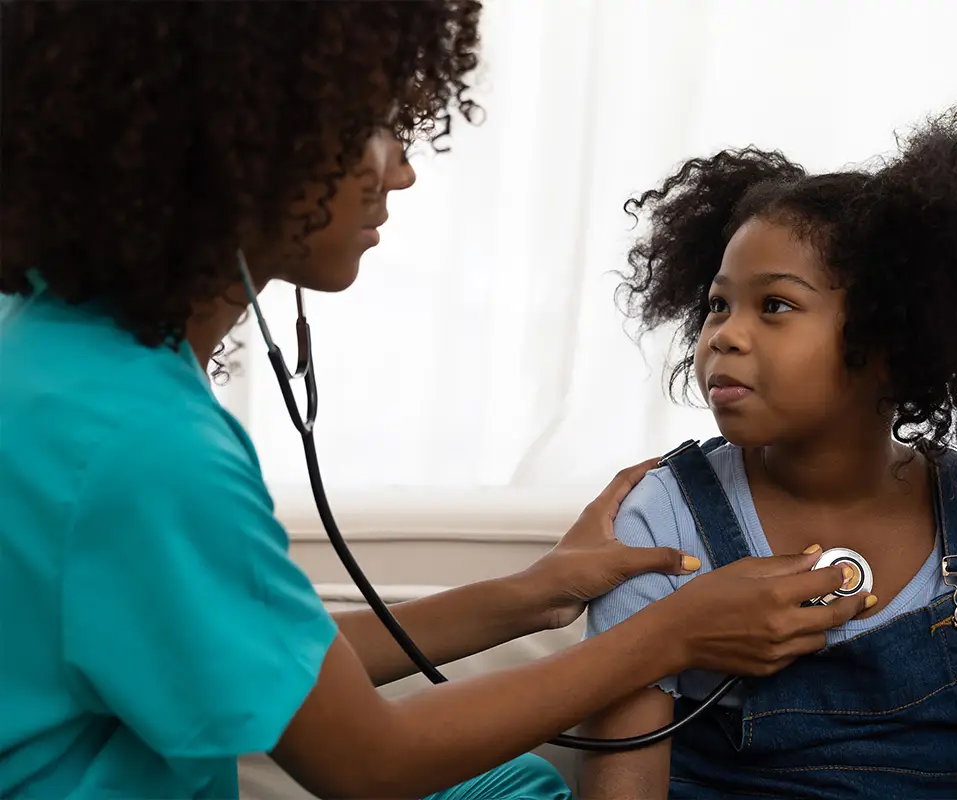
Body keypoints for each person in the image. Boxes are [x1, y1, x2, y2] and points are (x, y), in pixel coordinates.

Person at [0, 3, 875, 799]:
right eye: (373, 126)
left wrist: (535, 594)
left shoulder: (62, 357)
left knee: (506, 787)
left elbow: (283, 662)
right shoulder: (142, 445)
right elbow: (368, 763)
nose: (403, 170)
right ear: (241, 137)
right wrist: (671, 636)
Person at [580, 95, 957, 800]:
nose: (723, 335)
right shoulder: (658, 524)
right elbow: (620, 789)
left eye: (775, 306)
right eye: (717, 305)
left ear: (892, 340)